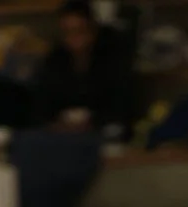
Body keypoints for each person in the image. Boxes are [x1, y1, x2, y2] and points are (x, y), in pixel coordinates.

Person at [33, 0, 140, 138]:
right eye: (67, 32)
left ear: (93, 30)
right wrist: (59, 123)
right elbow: (42, 104)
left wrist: (93, 121)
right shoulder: (54, 60)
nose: (74, 39)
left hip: (104, 133)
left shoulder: (112, 58)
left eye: (80, 31)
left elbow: (122, 106)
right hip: (62, 135)